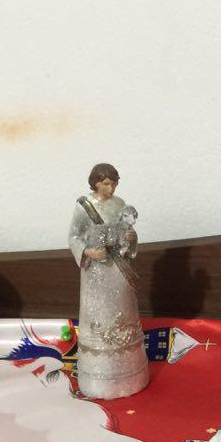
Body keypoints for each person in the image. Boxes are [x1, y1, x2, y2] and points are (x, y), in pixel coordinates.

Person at [68, 162, 148, 399]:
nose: (110, 188)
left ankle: (130, 373)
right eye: (105, 183)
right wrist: (88, 252)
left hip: (119, 269)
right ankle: (98, 376)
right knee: (100, 312)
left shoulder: (120, 204)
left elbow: (125, 234)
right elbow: (74, 236)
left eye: (114, 183)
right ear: (95, 183)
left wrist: (131, 238)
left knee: (123, 309)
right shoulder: (84, 206)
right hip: (96, 273)